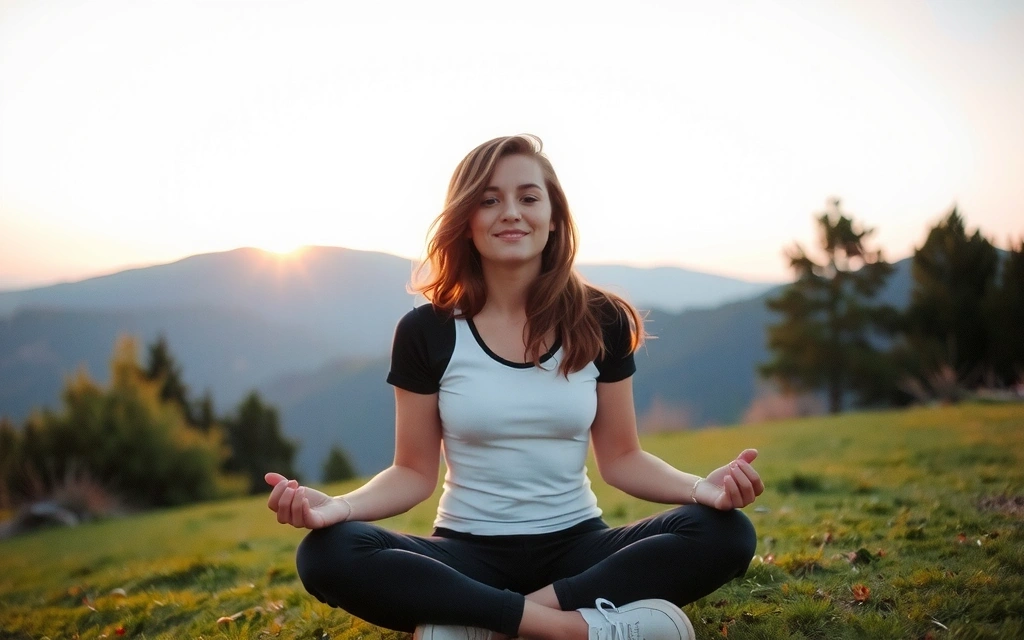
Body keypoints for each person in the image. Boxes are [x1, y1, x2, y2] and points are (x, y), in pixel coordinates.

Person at [265, 134, 764, 640]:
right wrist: (339, 508)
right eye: (489, 199)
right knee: (328, 552)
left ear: (553, 217)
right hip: (465, 553)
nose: (511, 213)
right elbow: (413, 472)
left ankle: (484, 623)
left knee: (724, 533)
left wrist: (704, 489)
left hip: (579, 550)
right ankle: (577, 631)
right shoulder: (427, 332)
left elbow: (622, 458)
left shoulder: (600, 319)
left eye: (528, 197)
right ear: (466, 220)